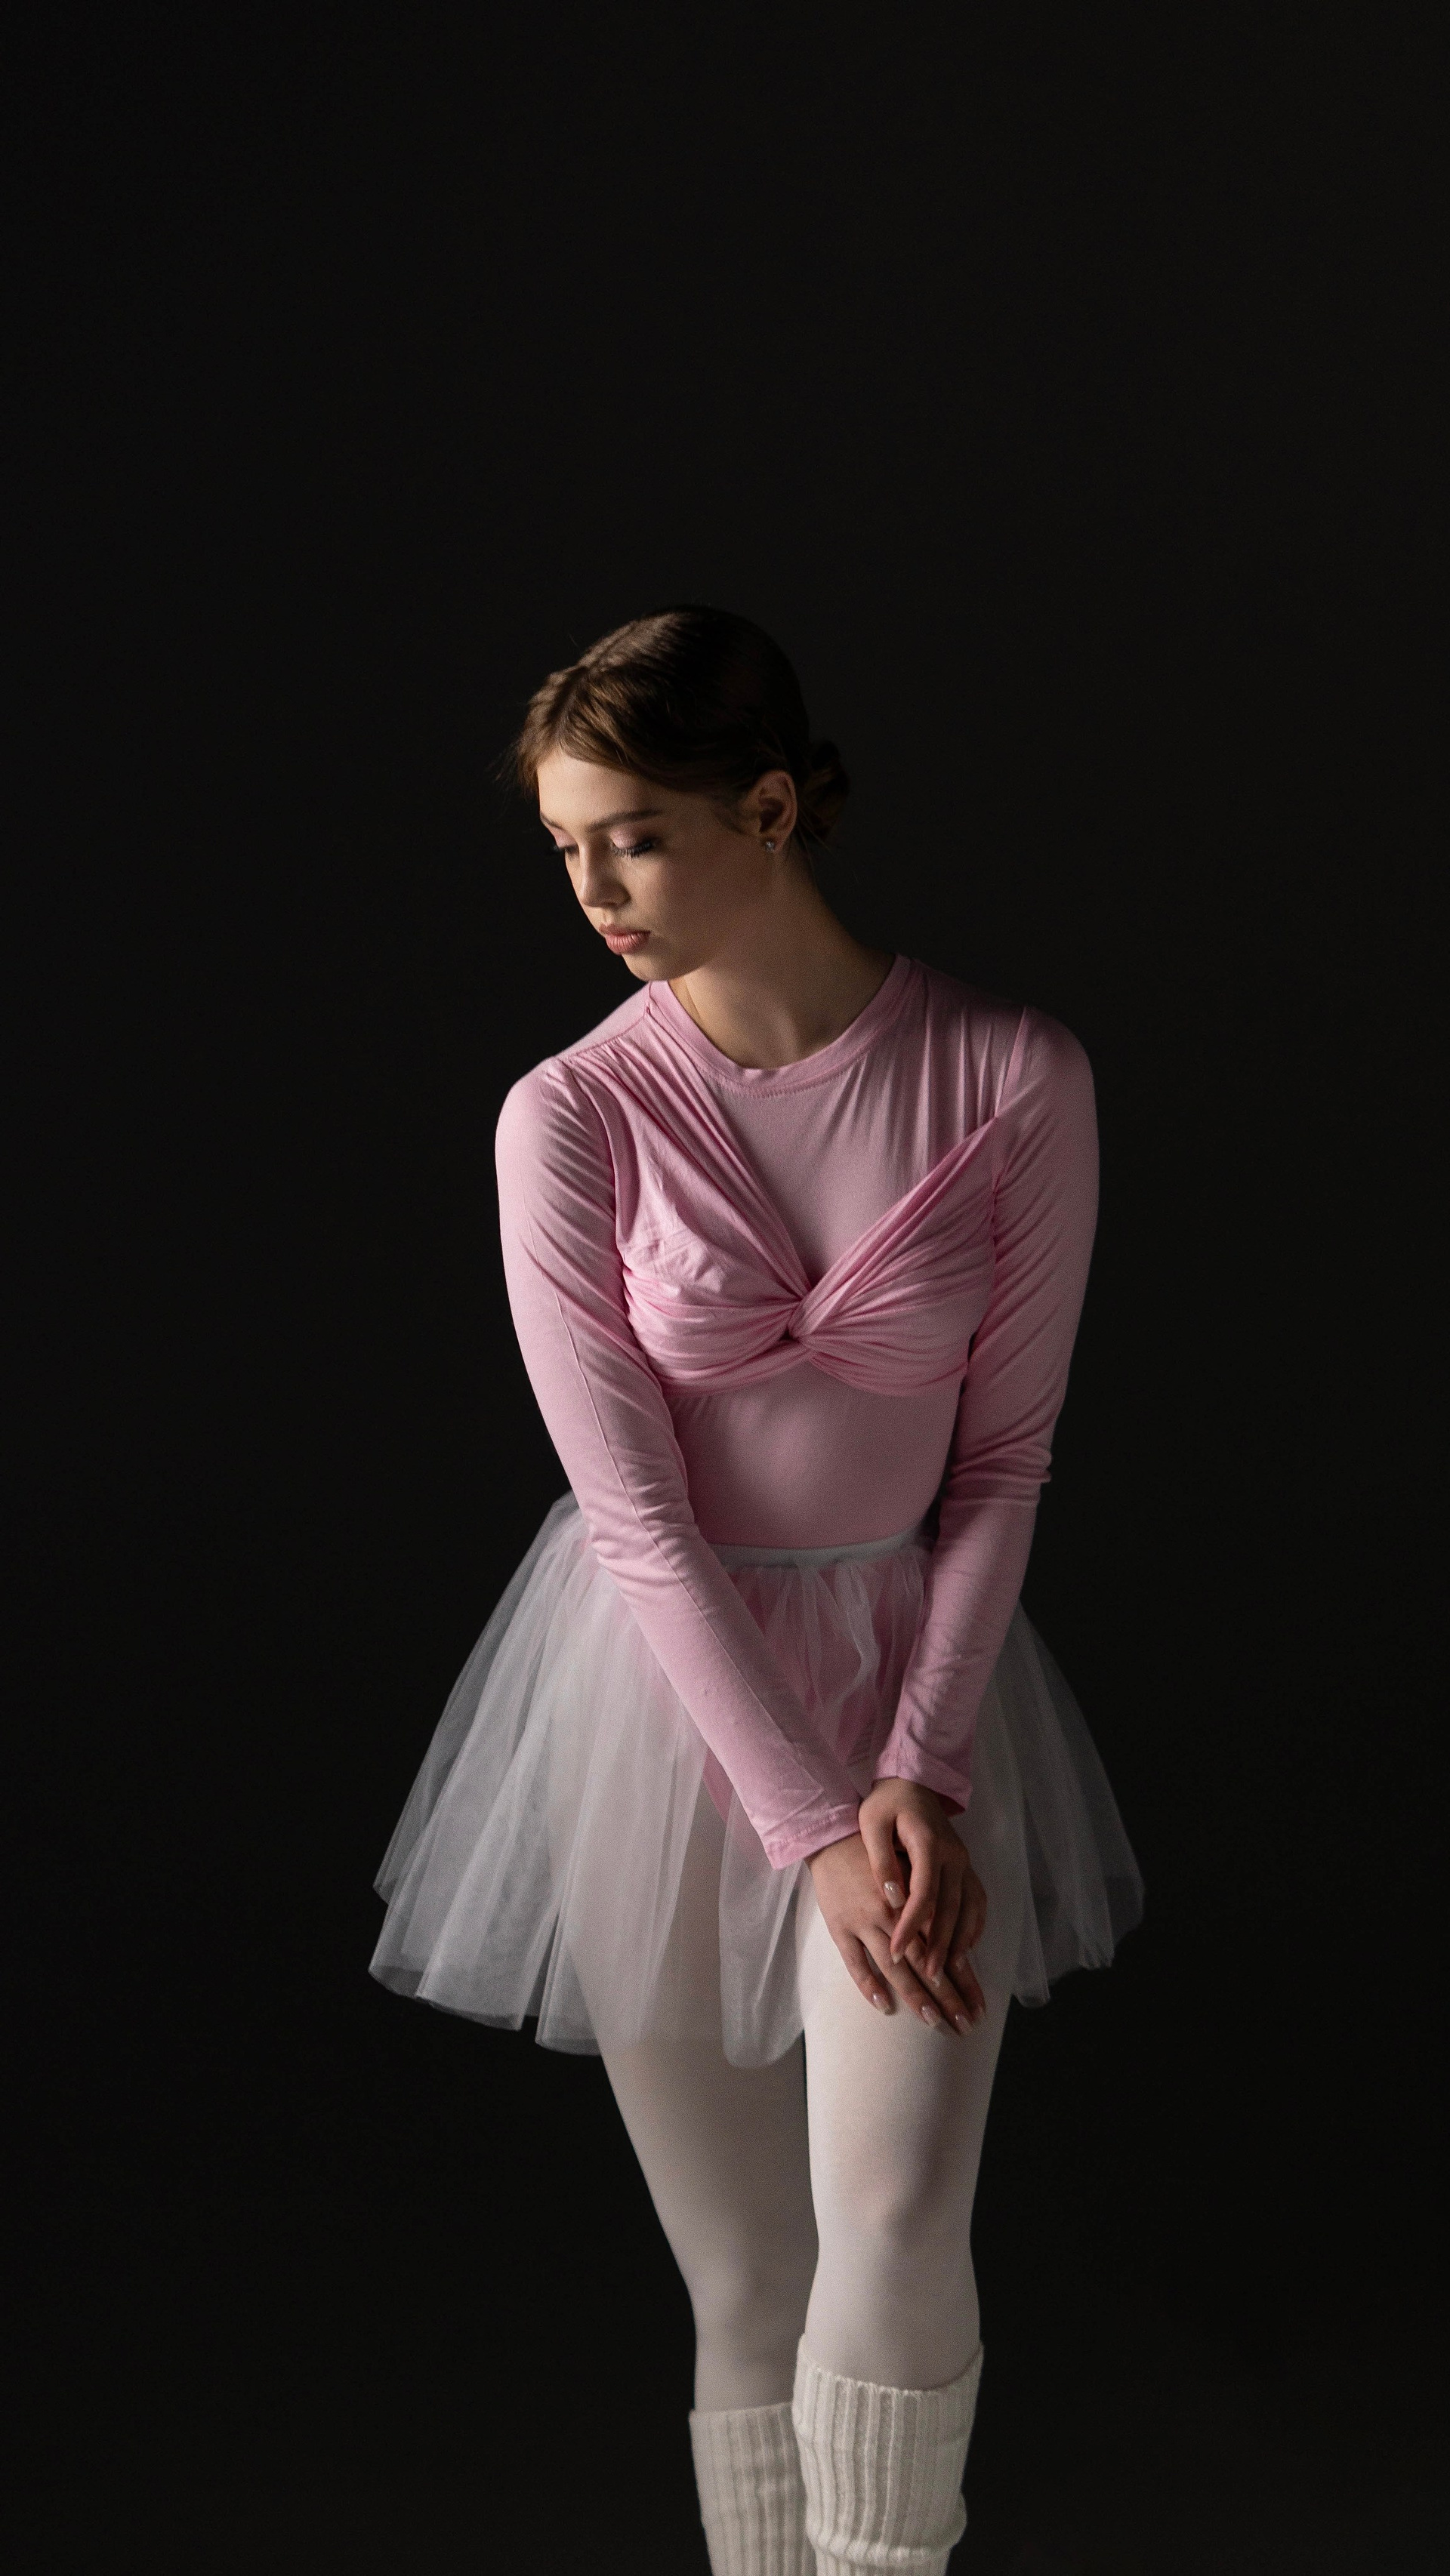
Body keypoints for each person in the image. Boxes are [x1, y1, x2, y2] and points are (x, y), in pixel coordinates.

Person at [371, 605, 1143, 2575]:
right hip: (658, 1700)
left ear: (773, 807)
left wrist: (915, 1769)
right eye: (566, 847)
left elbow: (1003, 1463)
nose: (593, 889)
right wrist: (808, 1823)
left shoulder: (1010, 1075)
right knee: (745, 2276)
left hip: (911, 1693)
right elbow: (633, 1514)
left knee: (896, 2215)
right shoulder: (570, 1114)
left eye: (633, 835)